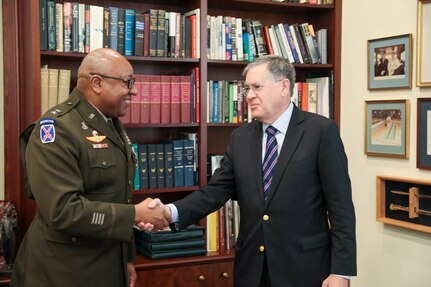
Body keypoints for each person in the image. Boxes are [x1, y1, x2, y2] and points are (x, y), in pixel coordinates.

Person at [148, 55, 357, 287]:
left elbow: (341, 208)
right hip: (252, 270)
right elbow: (215, 191)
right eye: (246, 88)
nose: (249, 95)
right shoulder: (241, 137)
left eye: (257, 87)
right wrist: (169, 212)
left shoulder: (320, 131)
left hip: (304, 269)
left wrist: (341, 271)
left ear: (284, 87)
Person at [11, 48, 170, 287]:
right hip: (64, 272)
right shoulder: (56, 130)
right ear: (97, 83)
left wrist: (126, 258)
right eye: (128, 82)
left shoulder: (110, 122)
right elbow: (62, 211)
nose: (134, 91)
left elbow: (118, 196)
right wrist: (136, 215)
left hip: (107, 263)